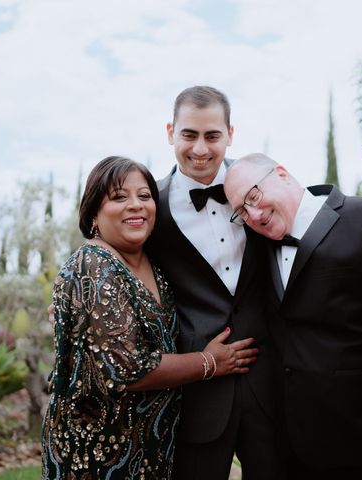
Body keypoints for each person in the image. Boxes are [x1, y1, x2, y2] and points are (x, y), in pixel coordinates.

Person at [224, 153, 362, 480]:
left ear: (282, 174)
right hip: (305, 455)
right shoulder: (260, 247)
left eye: (253, 196)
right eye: (241, 211)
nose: (253, 214)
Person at [41, 156, 258, 479]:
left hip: (151, 447)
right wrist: (209, 362)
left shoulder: (151, 263)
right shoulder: (93, 266)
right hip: (98, 451)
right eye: (119, 197)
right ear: (93, 212)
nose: (136, 205)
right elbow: (130, 369)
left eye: (144, 196)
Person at [146, 87, 283, 479]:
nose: (200, 149)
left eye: (212, 136)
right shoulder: (150, 202)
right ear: (171, 132)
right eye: (189, 135)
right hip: (198, 387)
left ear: (230, 134)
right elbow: (112, 249)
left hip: (270, 375)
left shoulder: (263, 184)